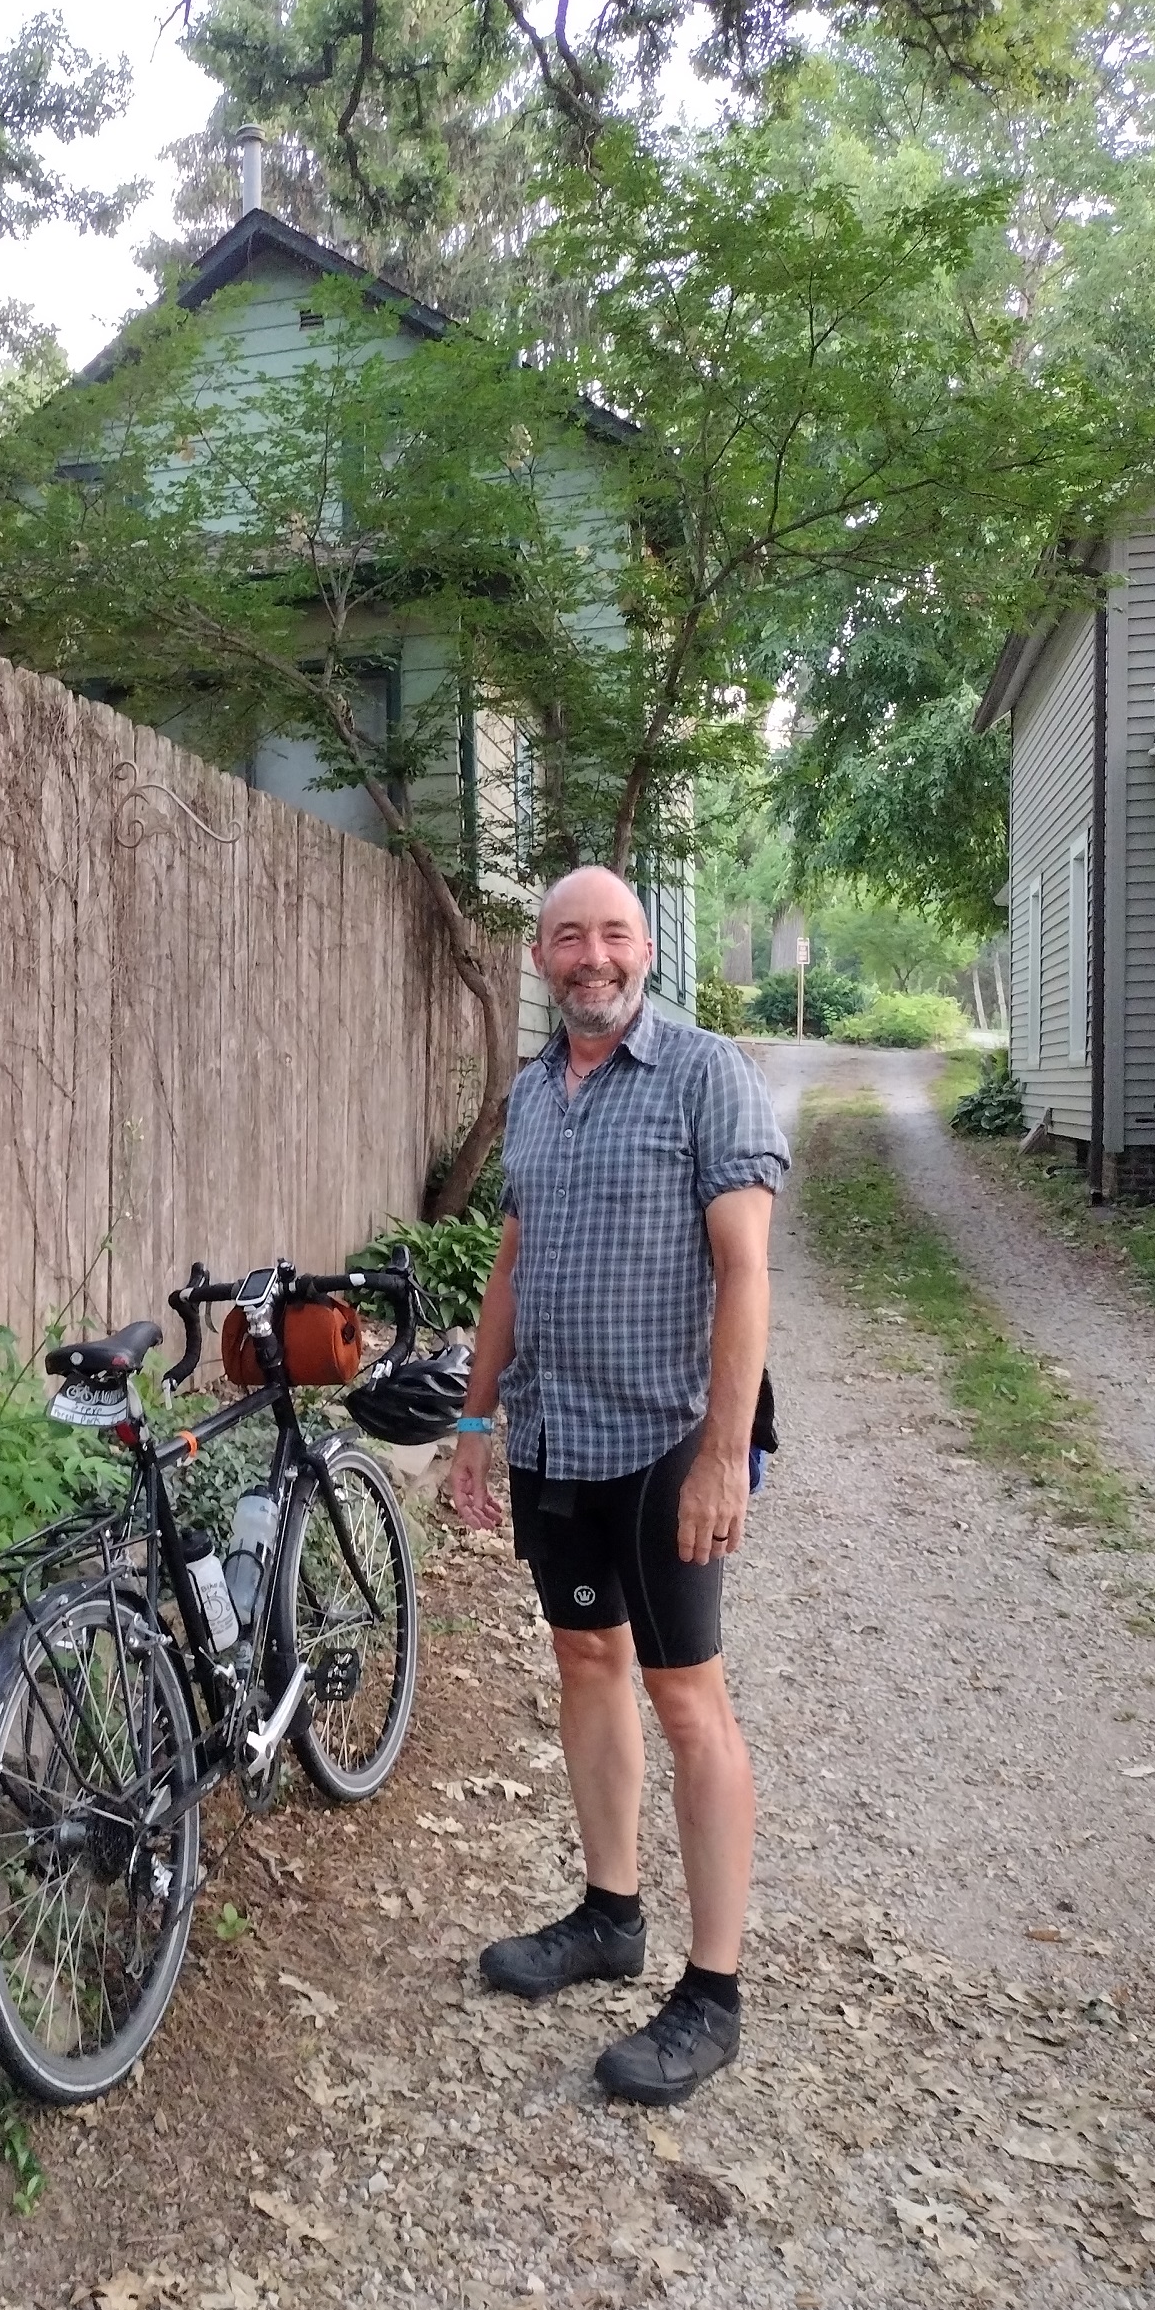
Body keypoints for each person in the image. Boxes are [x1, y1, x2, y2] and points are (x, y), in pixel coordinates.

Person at [450, 866, 789, 2105]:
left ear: (644, 949)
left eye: (613, 934)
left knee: (687, 1697)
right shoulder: (534, 1094)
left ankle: (712, 1991)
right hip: (552, 1438)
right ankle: (608, 1913)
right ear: (539, 959)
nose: (591, 956)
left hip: (662, 1445)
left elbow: (744, 1272)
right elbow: (513, 1260)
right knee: (585, 1662)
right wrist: (477, 1418)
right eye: (566, 938)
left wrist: (721, 1446)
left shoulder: (705, 1075)